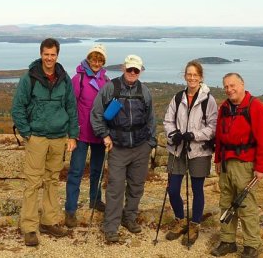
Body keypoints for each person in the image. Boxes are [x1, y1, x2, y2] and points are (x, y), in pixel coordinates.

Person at [11, 38, 78, 247]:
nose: (50, 58)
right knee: (33, 182)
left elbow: (71, 108)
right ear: (41, 54)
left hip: (58, 137)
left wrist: (72, 135)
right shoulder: (29, 78)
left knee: (51, 180)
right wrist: (27, 133)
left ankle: (49, 221)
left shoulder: (63, 78)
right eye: (46, 54)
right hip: (37, 137)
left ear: (57, 55)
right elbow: (17, 108)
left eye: (53, 54)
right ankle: (30, 227)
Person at [90, 54, 156, 243]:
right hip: (118, 147)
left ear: (140, 71)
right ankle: (111, 226)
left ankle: (129, 218)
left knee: (136, 187)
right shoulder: (111, 88)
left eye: (136, 70)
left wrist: (150, 143)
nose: (133, 73)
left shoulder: (144, 91)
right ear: (123, 68)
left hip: (140, 146)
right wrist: (104, 134)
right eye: (130, 69)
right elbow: (96, 114)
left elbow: (151, 118)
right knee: (115, 188)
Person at [211, 73, 263, 258]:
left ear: (242, 84)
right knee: (226, 203)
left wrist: (261, 167)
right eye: (226, 87)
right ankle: (228, 241)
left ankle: (251, 245)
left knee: (246, 206)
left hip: (245, 164)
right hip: (226, 162)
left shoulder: (255, 107)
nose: (229, 89)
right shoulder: (224, 107)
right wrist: (218, 160)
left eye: (233, 85)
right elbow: (219, 136)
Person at [163, 60, 217, 246]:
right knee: (173, 189)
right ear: (185, 76)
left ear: (201, 77)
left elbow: (213, 127)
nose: (192, 78)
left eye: (195, 75)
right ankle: (180, 220)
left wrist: (195, 135)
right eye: (189, 74)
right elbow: (168, 121)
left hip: (199, 150)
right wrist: (173, 135)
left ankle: (194, 224)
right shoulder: (178, 98)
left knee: (197, 189)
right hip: (177, 149)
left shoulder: (208, 100)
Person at [64, 44, 109, 228]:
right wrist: (71, 134)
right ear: (88, 59)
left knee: (97, 171)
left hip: (99, 134)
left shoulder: (106, 81)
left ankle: (95, 200)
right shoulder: (78, 79)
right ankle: (70, 210)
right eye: (93, 59)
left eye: (100, 60)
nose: (96, 63)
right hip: (81, 134)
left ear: (103, 62)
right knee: (76, 171)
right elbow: (71, 106)